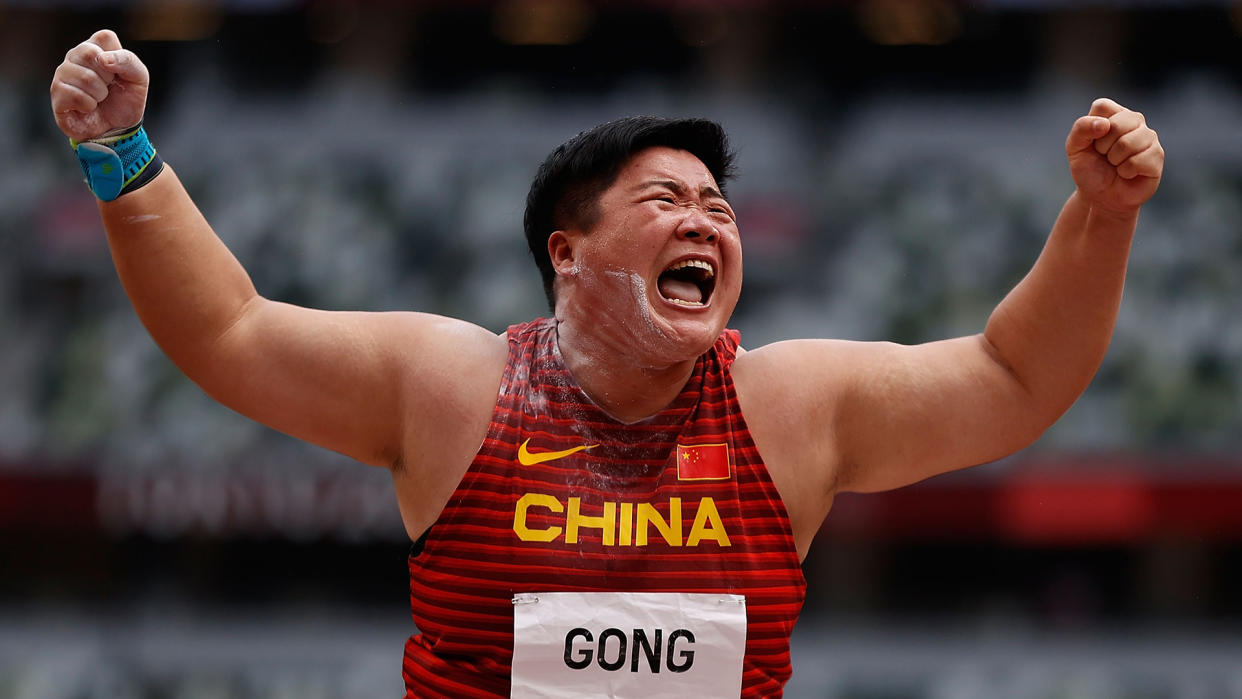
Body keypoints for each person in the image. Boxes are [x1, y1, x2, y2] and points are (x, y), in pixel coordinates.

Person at [51, 29, 1163, 699]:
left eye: (720, 209)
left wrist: (1101, 220)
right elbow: (230, 332)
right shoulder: (456, 388)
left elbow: (1015, 378)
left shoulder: (785, 408)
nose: (707, 224)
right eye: (667, 201)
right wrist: (120, 156)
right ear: (567, 255)